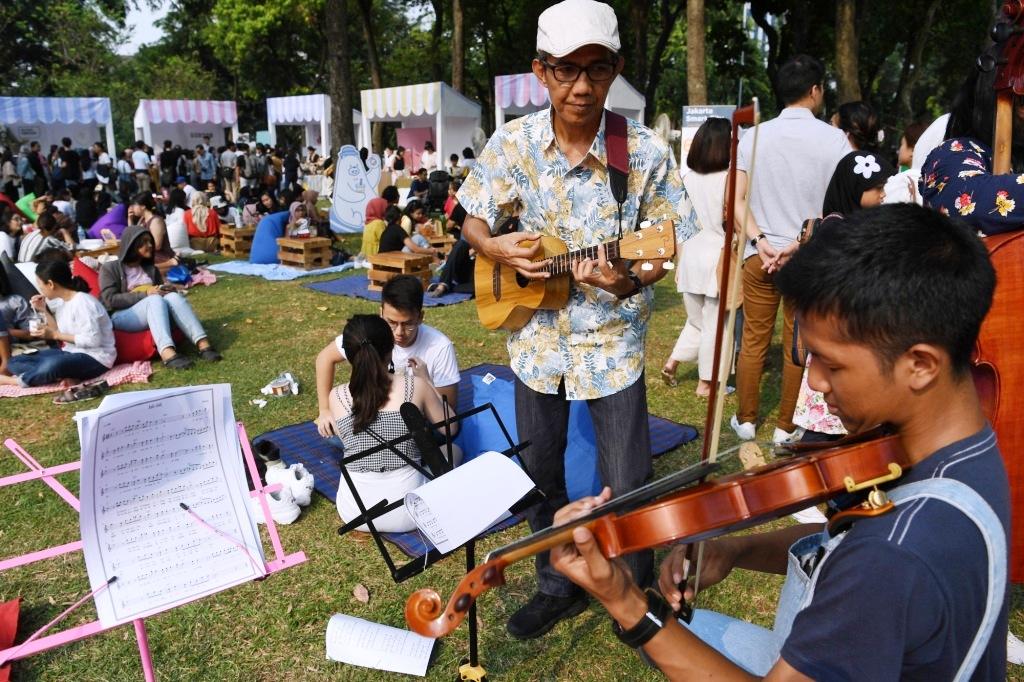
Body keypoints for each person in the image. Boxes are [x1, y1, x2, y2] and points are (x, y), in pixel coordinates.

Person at [549, 203, 1008, 680]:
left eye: (832, 364)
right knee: (687, 633)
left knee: (661, 637)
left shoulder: (892, 555)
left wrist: (626, 603)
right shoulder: (964, 446)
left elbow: (871, 562)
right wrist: (736, 550)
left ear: (921, 364)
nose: (817, 383)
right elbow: (844, 540)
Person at [457, 0, 686, 640]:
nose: (581, 86)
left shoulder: (641, 153)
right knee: (540, 470)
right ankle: (555, 584)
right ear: (541, 71)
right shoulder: (512, 144)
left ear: (616, 69)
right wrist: (495, 248)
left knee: (629, 477)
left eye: (597, 69)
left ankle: (633, 593)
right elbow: (470, 215)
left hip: (612, 345)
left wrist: (626, 275)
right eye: (565, 70)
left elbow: (659, 253)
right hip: (534, 343)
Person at [730, 54, 850, 445]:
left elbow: (735, 199)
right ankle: (785, 426)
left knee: (753, 339)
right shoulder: (834, 140)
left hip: (759, 256)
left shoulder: (754, 136)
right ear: (815, 91)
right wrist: (798, 246)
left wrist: (759, 242)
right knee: (800, 344)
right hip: (809, 259)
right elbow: (841, 203)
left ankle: (745, 420)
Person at [790, 149, 895, 450]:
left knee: (842, 428)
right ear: (855, 188)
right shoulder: (837, 229)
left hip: (846, 342)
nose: (883, 195)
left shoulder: (851, 225)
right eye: (877, 188)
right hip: (836, 344)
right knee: (825, 429)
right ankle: (809, 485)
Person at [328, 314, 461, 532]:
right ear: (390, 349)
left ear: (350, 356)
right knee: (453, 450)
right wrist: (427, 381)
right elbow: (450, 427)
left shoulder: (336, 396)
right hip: (409, 513)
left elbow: (350, 444)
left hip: (354, 512)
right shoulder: (415, 385)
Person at [315, 275, 460, 438]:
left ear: (420, 317)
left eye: (407, 324)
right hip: (374, 416)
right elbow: (325, 358)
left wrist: (426, 382)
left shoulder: (440, 346)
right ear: (381, 312)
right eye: (391, 322)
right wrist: (325, 410)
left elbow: (447, 414)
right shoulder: (371, 334)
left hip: (417, 424)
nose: (399, 332)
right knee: (332, 432)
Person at [661, 117, 732, 397]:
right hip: (716, 257)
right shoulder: (729, 179)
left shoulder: (686, 178)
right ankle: (706, 382)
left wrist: (679, 261)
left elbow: (677, 225)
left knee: (698, 321)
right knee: (714, 325)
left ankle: (673, 361)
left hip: (690, 256)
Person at [99, 225, 221, 370]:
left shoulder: (151, 269)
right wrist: (145, 293)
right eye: (144, 242)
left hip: (153, 310)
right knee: (154, 299)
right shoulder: (110, 268)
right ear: (131, 244)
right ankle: (167, 353)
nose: (150, 245)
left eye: (150, 241)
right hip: (123, 316)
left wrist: (167, 289)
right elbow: (110, 299)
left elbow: (159, 294)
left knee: (173, 298)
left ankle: (203, 344)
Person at [0, 259, 115, 388]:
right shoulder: (62, 302)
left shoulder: (84, 302)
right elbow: (58, 331)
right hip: (70, 353)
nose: (40, 289)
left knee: (52, 364)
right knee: (15, 362)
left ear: (50, 284)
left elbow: (93, 341)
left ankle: (15, 381)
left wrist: (54, 335)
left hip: (96, 358)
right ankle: (63, 375)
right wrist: (43, 310)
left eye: (40, 284)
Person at [127, 192, 177, 273]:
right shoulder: (142, 220)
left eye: (134, 205)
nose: (132, 208)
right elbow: (132, 237)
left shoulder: (156, 221)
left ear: (143, 206)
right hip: (148, 255)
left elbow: (157, 246)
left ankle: (169, 264)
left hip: (160, 257)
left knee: (136, 268)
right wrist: (130, 219)